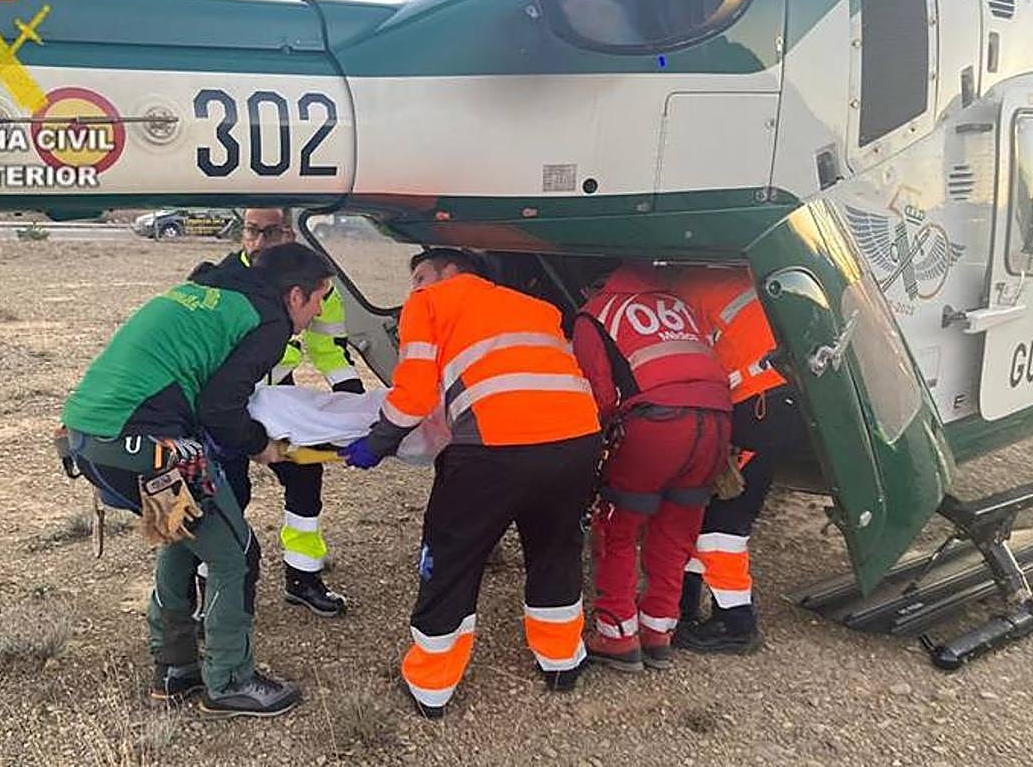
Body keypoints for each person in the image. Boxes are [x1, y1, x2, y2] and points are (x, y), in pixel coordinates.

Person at [59, 242, 334, 717]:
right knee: (236, 554)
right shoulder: (269, 321)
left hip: (87, 438)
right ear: (295, 295)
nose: (319, 312)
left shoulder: (211, 290)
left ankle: (175, 669)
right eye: (319, 299)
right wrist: (261, 446)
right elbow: (219, 409)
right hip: (144, 444)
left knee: (182, 532)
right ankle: (230, 682)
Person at [340, 248, 602, 718]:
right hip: (577, 440)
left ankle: (431, 685)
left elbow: (415, 393)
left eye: (420, 276)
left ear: (450, 272)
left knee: (453, 557)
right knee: (556, 549)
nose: (414, 288)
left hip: (495, 448)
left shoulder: (430, 302)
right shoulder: (536, 307)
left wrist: (378, 442)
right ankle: (562, 659)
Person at [572, 262, 732, 671]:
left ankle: (617, 636)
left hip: (656, 426)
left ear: (596, 285)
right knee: (676, 531)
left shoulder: (597, 313)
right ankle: (658, 631)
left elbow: (600, 395)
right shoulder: (678, 306)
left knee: (618, 529)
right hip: (716, 423)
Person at [209, 207, 361, 617]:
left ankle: (303, 577)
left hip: (278, 396)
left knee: (305, 476)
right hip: (223, 403)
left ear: (289, 234)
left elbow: (330, 349)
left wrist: (353, 405)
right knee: (226, 494)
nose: (258, 242)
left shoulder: (317, 285)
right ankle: (210, 592)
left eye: (270, 232)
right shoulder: (221, 281)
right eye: (250, 231)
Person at [670, 266, 807, 653]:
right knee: (708, 511)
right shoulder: (735, 276)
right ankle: (684, 605)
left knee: (722, 523)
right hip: (781, 398)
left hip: (757, 406)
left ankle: (736, 625)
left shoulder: (681, 292)